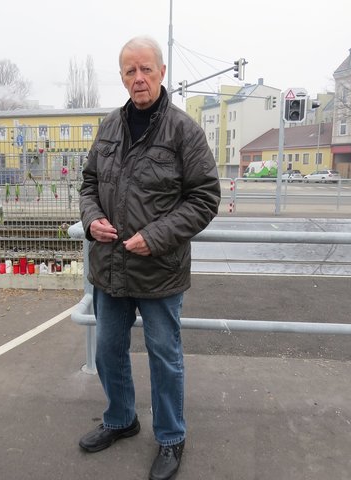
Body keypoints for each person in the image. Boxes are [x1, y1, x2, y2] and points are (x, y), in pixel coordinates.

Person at [78, 36, 221, 480]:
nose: (138, 78)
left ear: (161, 73)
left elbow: (204, 198)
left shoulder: (183, 131)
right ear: (122, 77)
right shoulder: (108, 128)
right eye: (129, 71)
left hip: (159, 271)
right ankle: (121, 419)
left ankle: (171, 437)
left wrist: (155, 237)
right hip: (110, 268)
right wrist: (92, 219)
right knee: (107, 351)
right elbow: (87, 185)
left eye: (145, 70)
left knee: (164, 356)